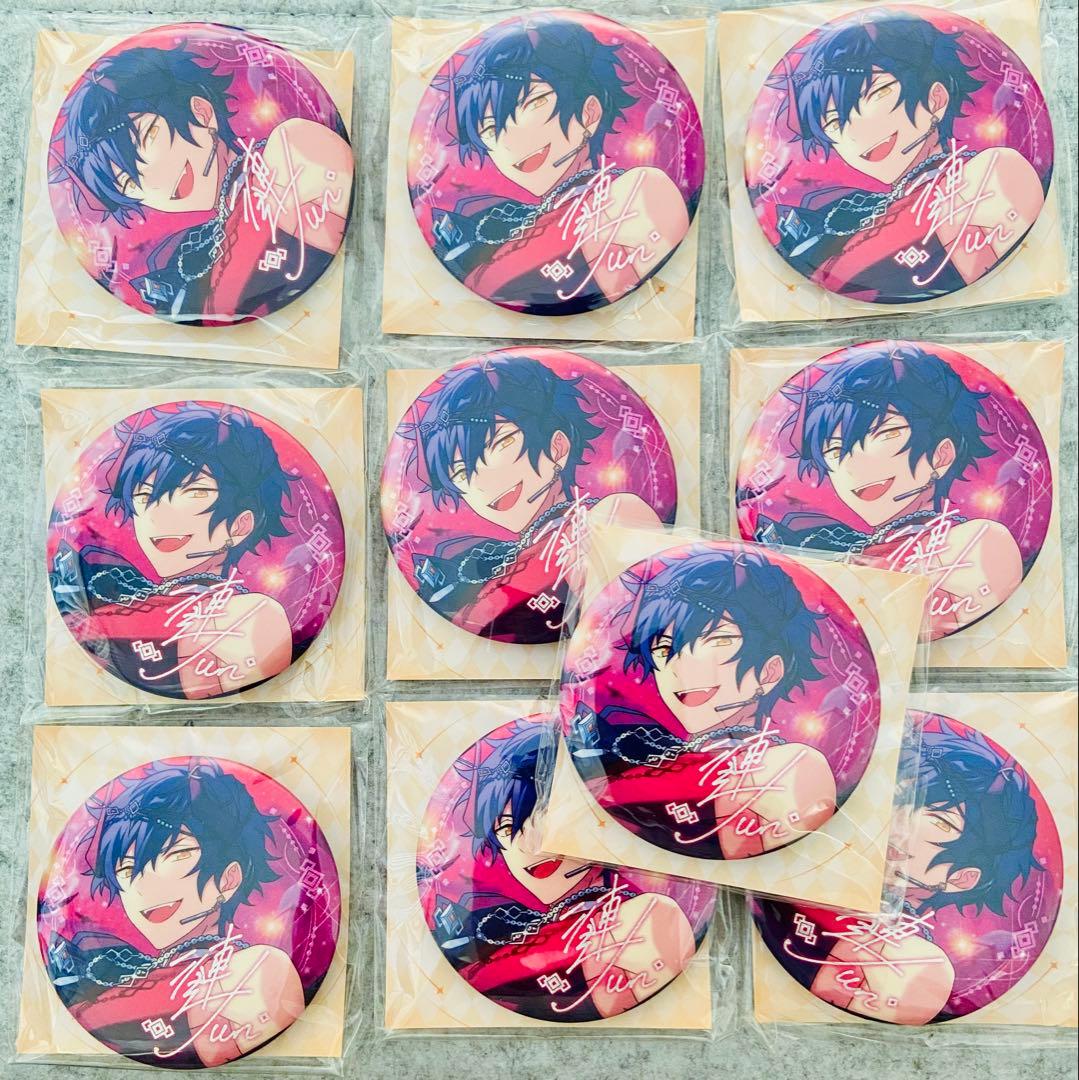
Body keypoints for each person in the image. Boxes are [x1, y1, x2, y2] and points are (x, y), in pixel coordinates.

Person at [50, 42, 352, 321]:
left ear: (202, 112)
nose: (151, 181)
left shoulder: (292, 151)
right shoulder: (186, 253)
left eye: (147, 137)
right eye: (127, 183)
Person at [568, 547, 838, 859]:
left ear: (770, 671)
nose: (681, 666)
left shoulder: (790, 767)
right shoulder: (653, 756)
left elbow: (743, 856)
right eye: (664, 648)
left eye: (718, 640)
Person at [759, 10, 1046, 302]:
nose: (856, 133)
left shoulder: (990, 174)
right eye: (834, 122)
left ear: (936, 99)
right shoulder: (854, 211)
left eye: (878, 93)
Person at [423, 722, 698, 1020]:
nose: (531, 848)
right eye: (507, 828)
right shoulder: (486, 929)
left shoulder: (649, 916)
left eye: (552, 825)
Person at [772, 722, 1042, 1024]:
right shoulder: (806, 866)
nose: (901, 823)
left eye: (941, 822)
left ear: (962, 878)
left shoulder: (916, 963)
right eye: (902, 798)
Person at [43, 761, 304, 1067]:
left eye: (177, 854)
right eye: (126, 869)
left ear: (229, 878)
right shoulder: (116, 967)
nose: (143, 886)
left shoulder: (254, 970)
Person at [423, 16, 692, 313]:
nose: (510, 142)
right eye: (489, 128)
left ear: (590, 112)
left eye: (533, 104)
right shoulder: (500, 222)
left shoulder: (636, 192)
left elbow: (626, 293)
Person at [755, 343, 1021, 636]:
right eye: (834, 449)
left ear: (941, 455)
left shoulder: (978, 542)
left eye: (885, 433)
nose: (853, 466)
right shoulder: (832, 542)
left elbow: (897, 630)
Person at [398, 354, 666, 640]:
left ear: (558, 447)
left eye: (501, 443)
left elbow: (623, 621)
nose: (483, 482)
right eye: (461, 471)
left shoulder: (611, 516)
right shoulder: (485, 559)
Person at [50, 403, 296, 698]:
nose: (157, 515)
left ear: (241, 525)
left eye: (195, 492)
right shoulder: (122, 592)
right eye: (143, 495)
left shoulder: (251, 615)